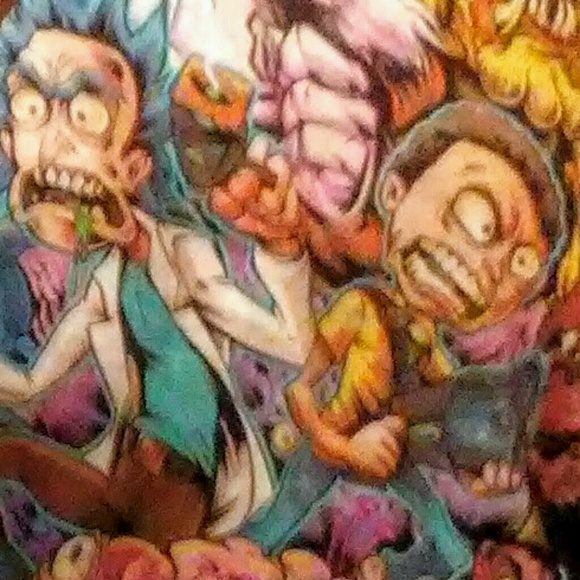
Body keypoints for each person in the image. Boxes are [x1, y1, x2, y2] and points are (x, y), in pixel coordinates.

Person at [0, 0, 314, 550]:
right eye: (30, 108)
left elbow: (291, 343)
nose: (55, 143)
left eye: (87, 116)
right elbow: (32, 383)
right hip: (131, 467)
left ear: (135, 167)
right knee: (19, 458)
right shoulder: (102, 285)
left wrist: (286, 250)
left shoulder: (184, 256)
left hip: (180, 470)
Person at [240, 101, 567, 572]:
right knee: (272, 527)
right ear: (394, 191)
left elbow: (436, 424)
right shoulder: (361, 307)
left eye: (521, 264)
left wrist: (484, 482)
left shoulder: (431, 346)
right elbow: (300, 391)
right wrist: (345, 447)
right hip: (335, 446)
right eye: (476, 218)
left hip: (393, 456)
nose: (487, 265)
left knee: (451, 551)